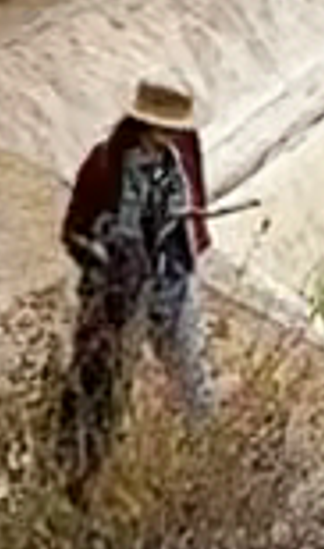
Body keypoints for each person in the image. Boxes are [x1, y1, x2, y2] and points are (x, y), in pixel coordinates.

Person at [57, 77, 214, 490]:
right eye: (163, 127)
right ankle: (84, 477)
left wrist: (186, 239)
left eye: (175, 127)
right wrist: (105, 266)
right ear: (141, 123)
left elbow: (194, 208)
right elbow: (73, 231)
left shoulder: (184, 152)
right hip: (121, 295)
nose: (170, 135)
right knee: (104, 388)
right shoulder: (104, 164)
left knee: (193, 383)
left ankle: (210, 478)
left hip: (173, 281)